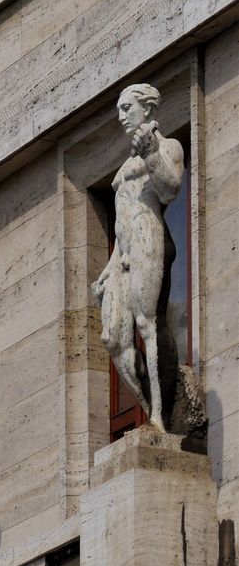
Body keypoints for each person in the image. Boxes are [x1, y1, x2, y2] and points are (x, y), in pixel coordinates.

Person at [92, 83, 184, 433]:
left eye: (127, 108)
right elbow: (119, 224)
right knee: (112, 336)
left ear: (147, 108)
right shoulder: (126, 162)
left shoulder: (168, 146)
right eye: (118, 109)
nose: (121, 116)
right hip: (124, 250)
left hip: (148, 235)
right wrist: (108, 267)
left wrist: (149, 154)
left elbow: (170, 188)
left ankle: (160, 416)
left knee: (147, 323)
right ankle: (147, 406)